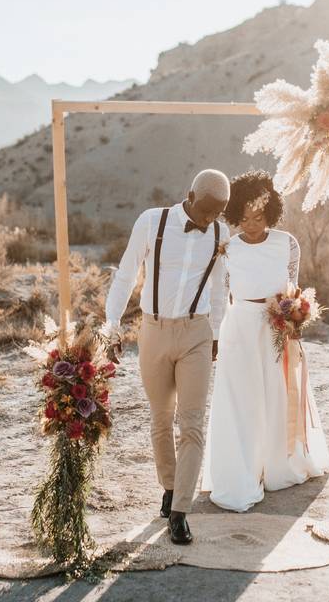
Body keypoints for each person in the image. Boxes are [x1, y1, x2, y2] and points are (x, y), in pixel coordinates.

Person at [104, 169, 231, 544]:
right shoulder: (151, 222)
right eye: (205, 211)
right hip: (153, 331)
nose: (208, 221)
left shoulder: (221, 234)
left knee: (192, 424)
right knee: (161, 419)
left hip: (196, 332)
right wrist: (112, 323)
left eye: (217, 214)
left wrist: (217, 334)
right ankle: (170, 487)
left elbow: (221, 288)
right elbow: (126, 275)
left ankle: (180, 512)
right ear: (188, 195)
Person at [202, 169, 329, 512]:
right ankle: (242, 471)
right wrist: (214, 336)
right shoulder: (228, 248)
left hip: (276, 328)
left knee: (277, 395)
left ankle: (276, 467)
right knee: (241, 400)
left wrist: (294, 315)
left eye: (258, 216)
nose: (251, 224)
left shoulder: (287, 243)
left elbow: (293, 287)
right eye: (243, 218)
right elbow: (219, 297)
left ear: (271, 211)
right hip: (240, 328)